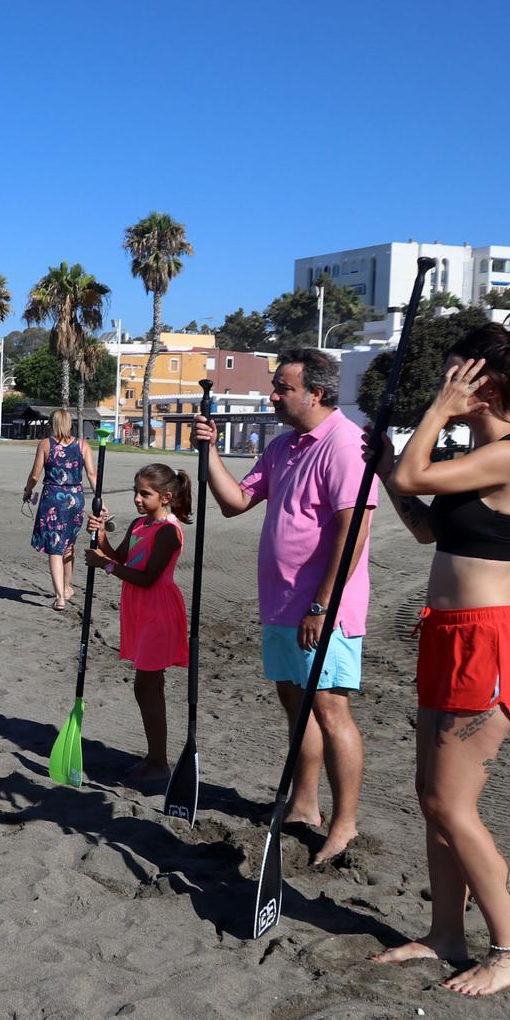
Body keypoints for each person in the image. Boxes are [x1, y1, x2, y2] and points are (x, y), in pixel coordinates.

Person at [364, 310, 510, 997]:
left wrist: (426, 428)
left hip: (489, 639)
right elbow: (422, 525)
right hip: (446, 633)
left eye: (454, 374)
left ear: (482, 384)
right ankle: (446, 932)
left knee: (455, 805)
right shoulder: (469, 456)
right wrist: (387, 467)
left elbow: (421, 473)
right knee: (430, 797)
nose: (443, 383)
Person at [192, 349, 374, 865]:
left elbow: (353, 529)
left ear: (315, 393)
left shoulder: (345, 444)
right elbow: (234, 503)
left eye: (282, 388)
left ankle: (344, 825)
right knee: (296, 704)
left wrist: (322, 603)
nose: (273, 395)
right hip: (281, 603)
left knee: (331, 707)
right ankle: (304, 804)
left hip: (322, 607)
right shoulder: (284, 446)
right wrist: (207, 453)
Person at [83, 464, 193, 783]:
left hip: (158, 610)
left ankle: (159, 762)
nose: (137, 499)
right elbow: (121, 558)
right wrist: (101, 535)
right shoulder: (139, 524)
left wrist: (104, 566)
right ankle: (154, 757)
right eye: (136, 492)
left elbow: (146, 579)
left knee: (147, 685)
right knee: (145, 686)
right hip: (139, 610)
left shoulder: (169, 531)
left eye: (145, 494)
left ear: (166, 496)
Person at [24, 409, 97, 611]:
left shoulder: (46, 444)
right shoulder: (82, 445)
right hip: (76, 499)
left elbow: (35, 475)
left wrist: (27, 490)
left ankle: (60, 597)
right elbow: (92, 474)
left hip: (52, 499)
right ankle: (65, 588)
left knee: (55, 548)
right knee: (68, 546)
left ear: (53, 424)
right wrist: (99, 499)